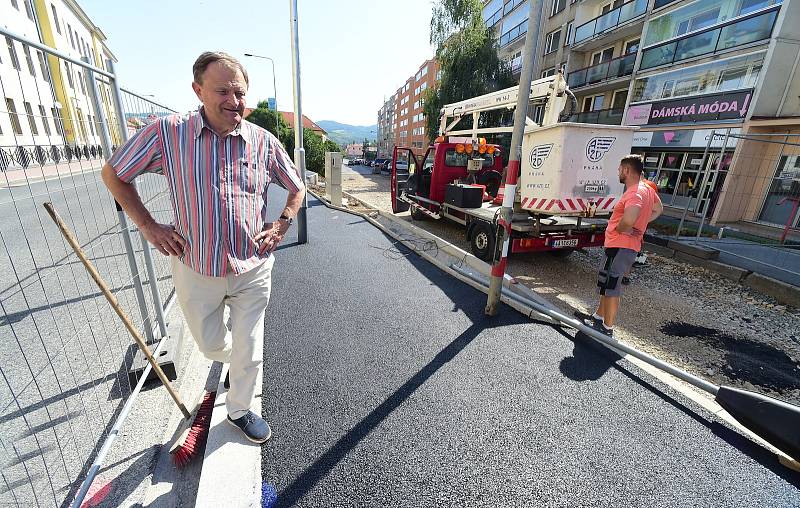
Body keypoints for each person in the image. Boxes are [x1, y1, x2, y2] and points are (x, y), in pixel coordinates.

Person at [102, 51, 305, 443]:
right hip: (195, 265)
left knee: (249, 343)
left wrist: (282, 223)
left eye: (240, 92)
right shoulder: (167, 134)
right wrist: (148, 226)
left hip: (253, 265)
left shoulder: (262, 141)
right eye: (223, 91)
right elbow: (114, 173)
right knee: (211, 344)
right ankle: (234, 361)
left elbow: (297, 186)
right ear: (198, 90)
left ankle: (240, 408)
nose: (234, 101)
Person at [586, 155, 662, 337]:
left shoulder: (635, 192)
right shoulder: (647, 190)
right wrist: (638, 226)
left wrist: (623, 228)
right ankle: (599, 316)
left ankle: (607, 328)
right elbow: (659, 209)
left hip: (620, 245)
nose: (618, 172)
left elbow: (628, 218)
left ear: (627, 170)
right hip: (625, 246)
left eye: (620, 169)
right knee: (607, 281)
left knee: (612, 285)